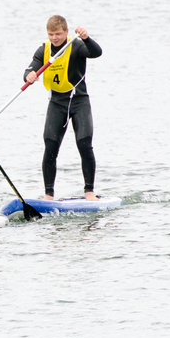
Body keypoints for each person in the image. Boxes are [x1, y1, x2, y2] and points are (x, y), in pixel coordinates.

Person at [23, 16, 102, 201]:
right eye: (51, 34)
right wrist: (29, 75)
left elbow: (96, 52)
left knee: (84, 143)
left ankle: (89, 191)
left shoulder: (76, 45)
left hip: (79, 100)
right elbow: (29, 69)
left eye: (58, 34)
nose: (54, 38)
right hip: (57, 103)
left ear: (66, 32)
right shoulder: (44, 50)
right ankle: (48, 194)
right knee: (50, 145)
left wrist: (86, 38)